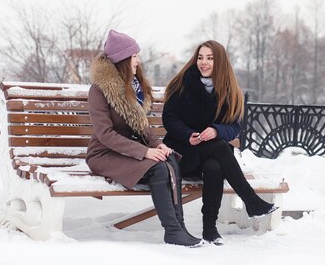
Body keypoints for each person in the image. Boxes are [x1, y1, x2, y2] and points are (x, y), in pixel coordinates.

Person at [86, 29, 202, 247]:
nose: (138, 60)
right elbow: (105, 134)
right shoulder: (99, 90)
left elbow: (140, 126)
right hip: (104, 154)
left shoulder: (134, 87)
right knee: (158, 168)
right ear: (122, 59)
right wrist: (145, 152)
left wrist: (158, 145)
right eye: (134, 56)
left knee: (170, 160)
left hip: (130, 151)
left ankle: (179, 226)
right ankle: (172, 231)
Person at [162, 40, 278, 245]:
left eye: (210, 58)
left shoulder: (229, 90)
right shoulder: (182, 84)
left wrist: (216, 130)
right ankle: (251, 201)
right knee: (220, 147)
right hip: (182, 153)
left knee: (214, 165)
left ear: (220, 62)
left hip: (211, 155)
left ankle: (210, 230)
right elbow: (169, 119)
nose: (203, 63)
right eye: (200, 57)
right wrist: (188, 134)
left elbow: (234, 127)